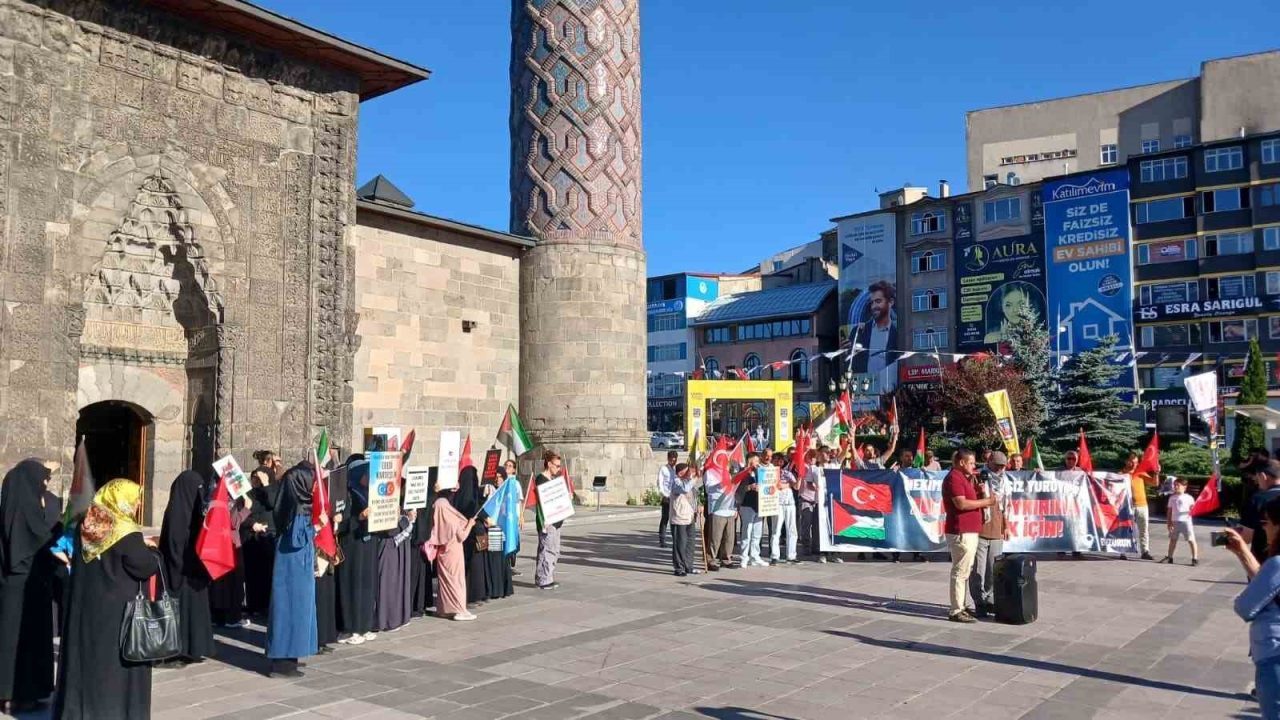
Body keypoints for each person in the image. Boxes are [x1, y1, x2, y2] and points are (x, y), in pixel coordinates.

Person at [53, 479, 160, 720]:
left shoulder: (88, 521)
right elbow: (143, 566)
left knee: (88, 663)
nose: (138, 503)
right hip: (117, 614)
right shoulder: (125, 530)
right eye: (135, 498)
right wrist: (152, 551)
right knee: (113, 671)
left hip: (87, 607)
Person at [0, 460, 57, 713]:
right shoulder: (29, 513)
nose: (44, 487)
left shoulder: (12, 507)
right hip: (28, 589)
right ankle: (24, 692)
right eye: (42, 482)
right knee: (25, 642)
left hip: (10, 586)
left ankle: (7, 691)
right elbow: (39, 542)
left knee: (9, 640)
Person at [1223, 497, 1280, 720]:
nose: (1263, 528)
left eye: (1266, 522)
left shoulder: (1277, 564)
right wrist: (1242, 552)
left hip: (1274, 656)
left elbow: (1245, 607)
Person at [266, 461, 319, 678]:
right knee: (289, 610)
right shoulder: (294, 508)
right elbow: (296, 538)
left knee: (300, 611)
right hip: (291, 568)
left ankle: (293, 656)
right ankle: (282, 663)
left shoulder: (302, 504)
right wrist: (317, 526)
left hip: (300, 565)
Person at [158, 470, 214, 666]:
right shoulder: (177, 512)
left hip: (192, 570)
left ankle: (193, 648)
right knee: (179, 609)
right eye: (196, 488)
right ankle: (175, 651)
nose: (200, 492)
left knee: (193, 609)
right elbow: (175, 541)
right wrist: (183, 565)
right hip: (179, 572)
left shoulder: (194, 511)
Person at [943, 449, 995, 623]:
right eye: (971, 463)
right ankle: (956, 610)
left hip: (969, 530)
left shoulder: (965, 479)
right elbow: (961, 503)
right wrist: (987, 502)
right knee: (960, 571)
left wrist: (980, 492)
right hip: (961, 531)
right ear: (961, 462)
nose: (974, 466)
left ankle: (961, 606)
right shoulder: (954, 478)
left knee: (965, 571)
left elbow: (971, 500)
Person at [336, 456, 377, 645]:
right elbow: (342, 524)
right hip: (352, 547)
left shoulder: (369, 492)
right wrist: (359, 518)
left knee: (366, 585)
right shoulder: (346, 494)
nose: (368, 477)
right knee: (352, 586)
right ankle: (351, 627)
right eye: (365, 473)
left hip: (367, 545)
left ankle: (365, 625)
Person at [969, 451, 1010, 619]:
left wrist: (1006, 527)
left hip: (997, 528)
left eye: (1003, 466)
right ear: (989, 461)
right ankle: (979, 602)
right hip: (980, 527)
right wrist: (979, 491)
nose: (1000, 469)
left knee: (994, 569)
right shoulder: (978, 476)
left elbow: (1006, 505)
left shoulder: (1005, 481)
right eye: (997, 465)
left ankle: (990, 599)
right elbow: (969, 500)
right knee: (978, 568)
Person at [427, 486, 476, 621]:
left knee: (444, 582)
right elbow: (462, 536)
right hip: (454, 552)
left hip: (442, 552)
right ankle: (460, 610)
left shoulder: (437, 515)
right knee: (457, 581)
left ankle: (443, 609)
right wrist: (470, 524)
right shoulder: (451, 519)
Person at [242, 451, 281, 620]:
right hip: (252, 538)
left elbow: (273, 503)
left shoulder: (274, 490)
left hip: (269, 538)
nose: (256, 481)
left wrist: (267, 485)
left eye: (260, 478)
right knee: (252, 575)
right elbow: (243, 514)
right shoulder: (251, 493)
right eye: (254, 478)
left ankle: (266, 605)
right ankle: (253, 605)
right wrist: (252, 524)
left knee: (267, 574)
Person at [210, 488, 252, 628]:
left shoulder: (215, 496)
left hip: (218, 542)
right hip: (231, 542)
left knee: (221, 580)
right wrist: (246, 508)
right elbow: (234, 523)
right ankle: (233, 617)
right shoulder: (230, 500)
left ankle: (218, 616)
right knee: (234, 580)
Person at [375, 501, 413, 632]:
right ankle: (386, 618)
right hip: (387, 540)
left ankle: (397, 616)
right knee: (387, 580)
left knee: (396, 580)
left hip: (396, 538)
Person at [453, 466, 489, 603]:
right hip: (472, 533)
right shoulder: (467, 494)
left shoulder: (464, 493)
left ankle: (477, 593)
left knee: (474, 564)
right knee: (474, 565)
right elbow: (472, 508)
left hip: (473, 532)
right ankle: (475, 594)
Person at [533, 451, 567, 590]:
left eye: (559, 466)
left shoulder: (551, 480)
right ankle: (544, 579)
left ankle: (545, 577)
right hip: (548, 520)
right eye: (557, 466)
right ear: (549, 464)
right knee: (548, 549)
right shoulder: (542, 479)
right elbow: (545, 501)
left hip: (555, 520)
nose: (558, 469)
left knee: (553, 549)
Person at [850, 280, 897, 378]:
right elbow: (850, 363)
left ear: (891, 302)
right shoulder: (858, 332)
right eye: (872, 302)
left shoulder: (898, 333)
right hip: (864, 387)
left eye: (878, 301)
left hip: (891, 387)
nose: (874, 306)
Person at [480, 474, 514, 600]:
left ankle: (502, 588)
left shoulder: (504, 492)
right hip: (490, 529)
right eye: (496, 476)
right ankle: (494, 589)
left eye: (500, 477)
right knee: (493, 559)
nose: (497, 479)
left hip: (499, 529)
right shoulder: (489, 490)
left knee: (499, 559)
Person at [704, 456, 738, 571]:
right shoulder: (710, 473)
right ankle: (711, 560)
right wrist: (721, 484)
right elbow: (709, 489)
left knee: (729, 538)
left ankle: (726, 558)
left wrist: (735, 508)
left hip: (729, 508)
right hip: (717, 509)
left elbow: (731, 490)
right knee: (715, 538)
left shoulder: (727, 473)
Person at [1242, 463, 1280, 564]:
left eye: (1257, 477)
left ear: (1263, 476)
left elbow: (1246, 537)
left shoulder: (1258, 499)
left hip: (1264, 559)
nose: (1256, 481)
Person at [735, 453, 767, 568]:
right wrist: (750, 487)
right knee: (746, 532)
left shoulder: (761, 472)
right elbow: (737, 488)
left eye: (758, 461)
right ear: (750, 461)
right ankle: (744, 557)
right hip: (747, 504)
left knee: (757, 533)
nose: (758, 463)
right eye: (756, 460)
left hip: (759, 505)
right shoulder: (744, 473)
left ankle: (755, 556)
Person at [668, 463, 699, 576]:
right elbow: (685, 489)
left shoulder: (689, 482)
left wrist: (698, 506)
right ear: (681, 473)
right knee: (680, 544)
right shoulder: (676, 482)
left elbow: (694, 495)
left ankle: (688, 565)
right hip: (679, 518)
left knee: (690, 543)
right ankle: (679, 568)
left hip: (690, 517)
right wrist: (693, 478)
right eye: (688, 472)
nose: (690, 474)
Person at [1161, 477, 1199, 566]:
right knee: (1173, 540)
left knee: (1191, 540)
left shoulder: (1189, 498)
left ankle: (1195, 558)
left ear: (1184, 487)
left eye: (1178, 485)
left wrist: (1193, 509)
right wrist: (1169, 522)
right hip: (1175, 521)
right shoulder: (1172, 498)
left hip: (1186, 521)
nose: (1176, 487)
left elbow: (1193, 509)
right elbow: (1169, 511)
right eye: (1175, 485)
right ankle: (1170, 557)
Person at [771, 458, 799, 565]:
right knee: (776, 530)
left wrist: (798, 477)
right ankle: (774, 555)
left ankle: (791, 555)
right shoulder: (769, 473)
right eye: (776, 460)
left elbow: (796, 486)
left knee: (792, 529)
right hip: (777, 503)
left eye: (781, 461)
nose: (779, 463)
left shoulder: (788, 473)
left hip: (790, 503)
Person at [657, 450, 677, 549]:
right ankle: (662, 539)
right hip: (667, 497)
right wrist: (664, 494)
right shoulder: (663, 469)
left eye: (674, 460)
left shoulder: (676, 470)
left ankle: (675, 539)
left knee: (674, 519)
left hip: (675, 497)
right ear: (668, 459)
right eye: (671, 460)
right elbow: (660, 483)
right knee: (665, 518)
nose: (673, 462)